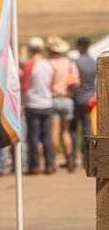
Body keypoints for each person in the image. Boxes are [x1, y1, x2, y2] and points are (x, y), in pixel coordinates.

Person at [21, 36, 54, 174]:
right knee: (46, 135)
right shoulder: (48, 64)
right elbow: (51, 84)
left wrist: (21, 103)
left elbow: (25, 86)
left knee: (33, 136)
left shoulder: (29, 65)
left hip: (33, 104)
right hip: (47, 103)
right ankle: (49, 164)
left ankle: (34, 166)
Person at [47, 35, 79, 171]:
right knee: (66, 131)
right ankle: (69, 159)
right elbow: (76, 82)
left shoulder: (48, 63)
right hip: (67, 99)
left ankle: (52, 161)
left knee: (54, 131)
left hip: (54, 99)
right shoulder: (69, 63)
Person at [71, 37, 97, 162]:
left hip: (77, 98)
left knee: (73, 129)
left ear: (79, 46)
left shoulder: (76, 62)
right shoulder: (93, 61)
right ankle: (86, 157)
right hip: (90, 98)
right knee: (87, 129)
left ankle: (73, 157)